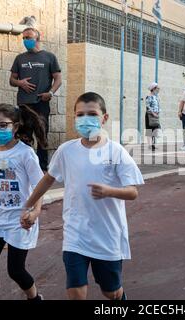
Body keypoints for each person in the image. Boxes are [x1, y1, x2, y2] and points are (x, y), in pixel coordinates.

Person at [22, 92, 144, 300]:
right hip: (75, 233)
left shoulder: (116, 151)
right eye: (80, 114)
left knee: (111, 292)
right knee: (76, 291)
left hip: (107, 235)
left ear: (104, 118)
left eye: (92, 114)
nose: (85, 119)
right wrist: (29, 205)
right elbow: (48, 179)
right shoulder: (66, 150)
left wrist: (109, 191)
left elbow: (133, 192)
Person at [0, 104, 47, 300]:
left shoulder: (25, 153)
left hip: (20, 219)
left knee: (15, 270)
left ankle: (34, 298)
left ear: (15, 126)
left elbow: (40, 186)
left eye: (2, 125)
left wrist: (35, 212)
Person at [10, 27, 62, 171]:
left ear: (38, 38)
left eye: (29, 37)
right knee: (24, 137)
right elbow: (12, 79)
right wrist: (20, 83)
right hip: (24, 104)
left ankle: (42, 168)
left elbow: (58, 79)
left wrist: (50, 93)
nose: (26, 40)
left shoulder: (49, 57)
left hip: (41, 104)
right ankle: (25, 167)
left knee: (41, 137)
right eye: (24, 38)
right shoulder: (20, 58)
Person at [145, 82, 162, 151]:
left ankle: (153, 144)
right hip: (150, 115)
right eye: (157, 88)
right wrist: (153, 113)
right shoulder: (149, 97)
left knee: (156, 130)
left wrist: (158, 112)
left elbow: (158, 106)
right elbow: (148, 106)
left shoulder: (156, 97)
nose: (158, 89)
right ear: (153, 89)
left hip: (155, 115)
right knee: (149, 130)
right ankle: (150, 145)